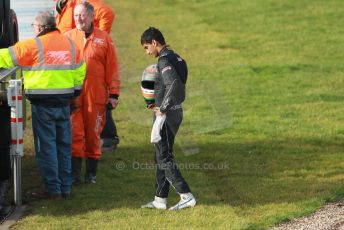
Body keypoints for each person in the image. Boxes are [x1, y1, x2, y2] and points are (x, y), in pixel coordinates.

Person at [0, 11, 86, 199]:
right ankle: (66, 187)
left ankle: (53, 189)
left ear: (39, 28)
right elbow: (80, 68)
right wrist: (76, 92)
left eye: (33, 27)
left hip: (43, 105)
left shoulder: (33, 45)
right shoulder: (70, 44)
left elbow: (4, 57)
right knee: (63, 146)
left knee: (46, 147)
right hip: (65, 103)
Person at [140, 27, 196, 210]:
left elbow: (173, 84)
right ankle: (160, 199)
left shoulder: (164, 61)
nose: (148, 53)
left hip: (167, 114)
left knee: (163, 157)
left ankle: (186, 195)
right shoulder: (177, 58)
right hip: (176, 111)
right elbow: (182, 85)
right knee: (161, 155)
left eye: (147, 47)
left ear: (155, 43)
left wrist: (162, 109)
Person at [65, 1, 120, 184]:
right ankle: (74, 176)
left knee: (93, 135)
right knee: (75, 134)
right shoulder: (68, 38)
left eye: (81, 15)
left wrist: (113, 94)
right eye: (75, 16)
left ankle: (91, 175)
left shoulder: (104, 39)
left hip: (96, 96)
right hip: (73, 96)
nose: (78, 19)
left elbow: (112, 68)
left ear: (91, 16)